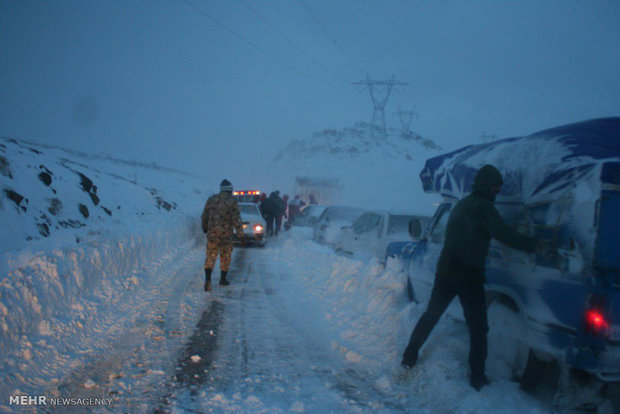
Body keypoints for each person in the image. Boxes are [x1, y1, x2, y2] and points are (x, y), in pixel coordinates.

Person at [400, 164, 556, 391]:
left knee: (431, 315)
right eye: (494, 187)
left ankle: (408, 358)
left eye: (498, 188)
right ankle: (477, 378)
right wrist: (536, 246)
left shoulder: (462, 204)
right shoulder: (483, 208)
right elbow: (504, 234)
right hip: (468, 275)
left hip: (446, 272)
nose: (496, 192)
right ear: (485, 185)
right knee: (478, 328)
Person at [201, 179, 244, 291]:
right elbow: (236, 218)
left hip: (212, 234)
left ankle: (208, 279)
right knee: (225, 257)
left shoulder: (211, 199)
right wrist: (240, 233)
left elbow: (204, 215)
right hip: (226, 235)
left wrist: (205, 228)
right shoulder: (232, 201)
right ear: (230, 190)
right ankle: (223, 280)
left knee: (210, 255)